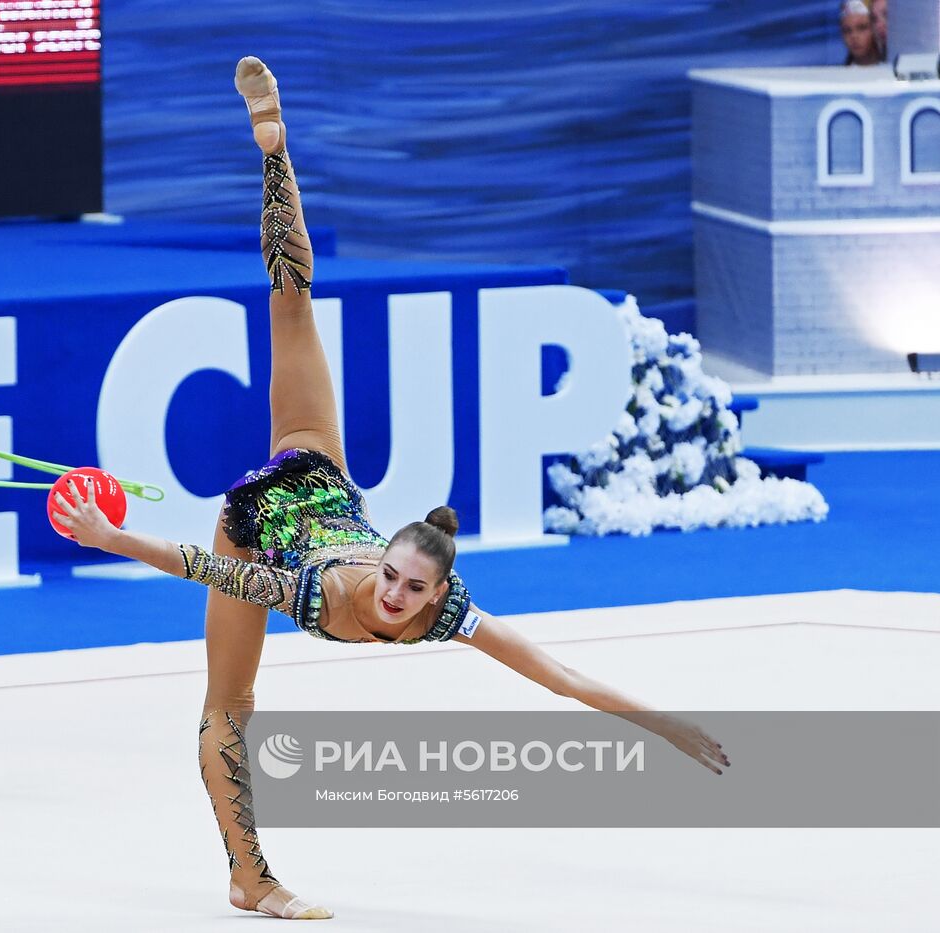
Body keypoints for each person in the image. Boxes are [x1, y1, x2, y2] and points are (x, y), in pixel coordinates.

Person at [51, 57, 731, 921]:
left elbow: (556, 674)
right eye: (393, 580)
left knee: (292, 307)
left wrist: (662, 722)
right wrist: (113, 538)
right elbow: (201, 565)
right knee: (230, 701)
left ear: (437, 589)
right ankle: (250, 878)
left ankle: (275, 146)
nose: (394, 595)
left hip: (323, 475)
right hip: (258, 519)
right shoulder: (318, 588)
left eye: (411, 587)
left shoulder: (447, 611)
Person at [840, 0, 883, 66]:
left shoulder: (890, 69)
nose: (854, 37)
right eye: (847, 31)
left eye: (862, 28)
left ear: (874, 28)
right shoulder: (838, 74)